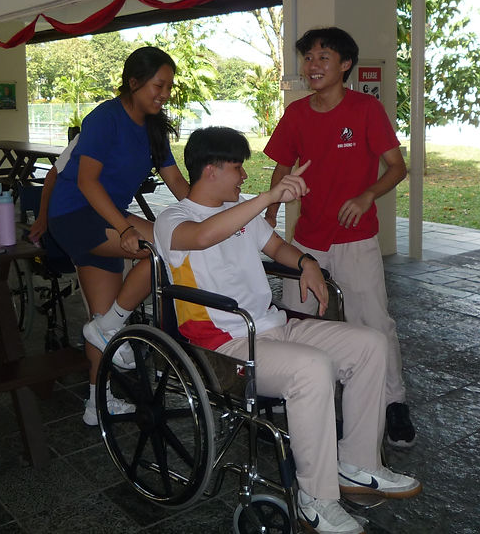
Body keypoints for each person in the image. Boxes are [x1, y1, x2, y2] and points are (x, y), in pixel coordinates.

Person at [154, 127, 421, 534]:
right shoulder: (174, 219)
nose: (243, 176)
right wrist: (269, 197)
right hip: (226, 343)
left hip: (273, 327)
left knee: (370, 343)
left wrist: (306, 264)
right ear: (210, 170)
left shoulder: (241, 208)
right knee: (311, 369)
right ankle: (315, 497)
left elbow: (277, 247)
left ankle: (357, 464)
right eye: (238, 167)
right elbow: (206, 236)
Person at [263, 27, 416, 449]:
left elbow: (396, 167)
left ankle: (392, 402)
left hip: (355, 238)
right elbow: (281, 166)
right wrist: (271, 212)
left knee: (373, 322)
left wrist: (368, 195)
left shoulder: (366, 109)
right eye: (308, 58)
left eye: (323, 58)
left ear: (345, 64)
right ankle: (289, 398)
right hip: (306, 242)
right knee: (297, 321)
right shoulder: (296, 114)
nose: (313, 66)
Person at [46, 46, 189, 426]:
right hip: (76, 213)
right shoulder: (105, 118)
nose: (164, 93)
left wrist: (207, 217)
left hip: (104, 214)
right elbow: (86, 181)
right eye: (158, 85)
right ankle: (113, 325)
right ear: (134, 82)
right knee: (165, 247)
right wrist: (125, 228)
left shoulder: (155, 128)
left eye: (169, 87)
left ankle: (97, 402)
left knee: (102, 317)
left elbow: (176, 182)